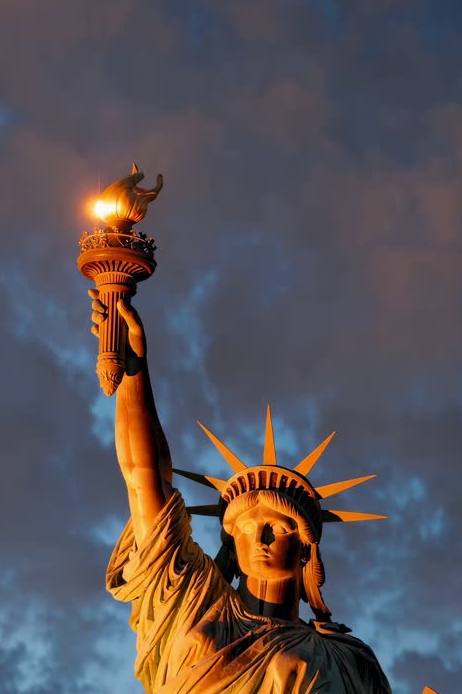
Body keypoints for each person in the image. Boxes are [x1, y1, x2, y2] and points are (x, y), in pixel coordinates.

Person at [91, 290, 392, 693]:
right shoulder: (193, 598)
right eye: (247, 527)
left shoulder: (348, 660)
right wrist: (135, 371)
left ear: (306, 548)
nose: (261, 537)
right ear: (231, 541)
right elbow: (144, 477)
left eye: (279, 527)